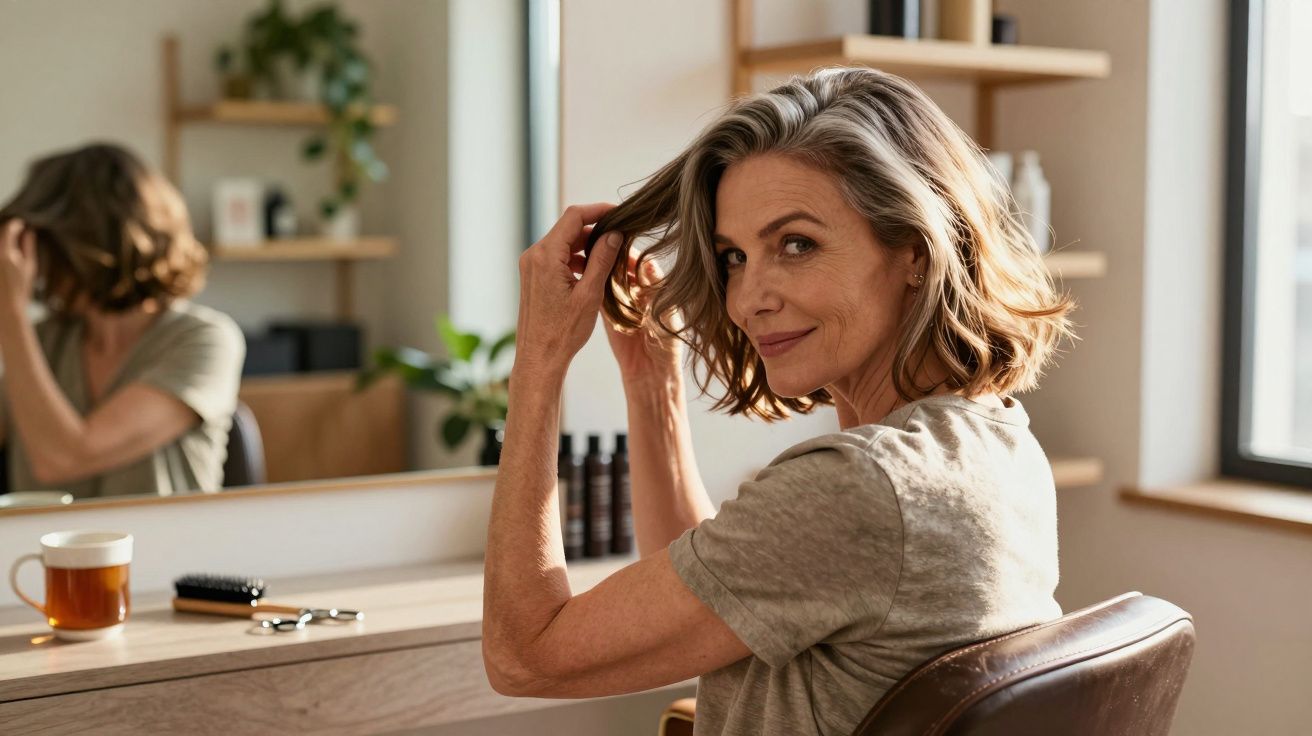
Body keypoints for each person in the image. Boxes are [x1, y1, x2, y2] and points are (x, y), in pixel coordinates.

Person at [481, 67, 1075, 735]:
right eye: (734, 256)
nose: (746, 300)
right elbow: (717, 594)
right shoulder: (999, 443)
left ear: (914, 249)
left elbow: (523, 658)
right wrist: (652, 383)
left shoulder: (858, 488)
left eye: (796, 244)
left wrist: (539, 360)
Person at [0, 143, 245, 499]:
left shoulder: (204, 340)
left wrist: (10, 313)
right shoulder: (43, 340)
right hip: (41, 541)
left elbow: (64, 457)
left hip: (164, 538)